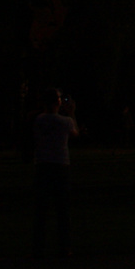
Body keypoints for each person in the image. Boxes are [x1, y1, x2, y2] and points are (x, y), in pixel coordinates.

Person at [32, 88, 79, 256]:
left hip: (43, 164)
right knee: (63, 209)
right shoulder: (65, 121)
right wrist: (72, 113)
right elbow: (75, 134)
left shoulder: (39, 119)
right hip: (60, 165)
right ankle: (65, 246)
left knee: (41, 209)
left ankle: (38, 246)